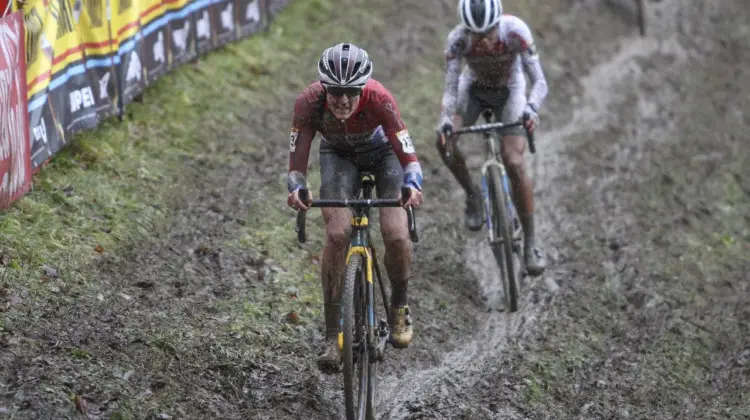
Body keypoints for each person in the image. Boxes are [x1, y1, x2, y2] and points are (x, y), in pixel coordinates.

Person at [286, 43, 424, 373]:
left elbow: (409, 156)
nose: (343, 100)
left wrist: (413, 184)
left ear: (362, 88)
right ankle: (333, 336)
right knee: (337, 234)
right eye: (335, 91)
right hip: (337, 157)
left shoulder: (380, 98)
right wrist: (296, 187)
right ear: (324, 87)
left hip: (383, 156)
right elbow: (296, 163)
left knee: (395, 234)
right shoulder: (309, 102)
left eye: (351, 92)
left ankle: (399, 305)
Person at [436, 0, 549, 276]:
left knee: (513, 161)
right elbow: (451, 88)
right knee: (443, 142)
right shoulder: (458, 40)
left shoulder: (515, 32)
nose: (484, 39)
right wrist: (446, 119)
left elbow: (539, 81)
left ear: (498, 23)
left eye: (489, 32)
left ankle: (531, 242)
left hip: (510, 90)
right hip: (473, 88)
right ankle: (473, 195)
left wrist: (531, 108)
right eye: (477, 34)